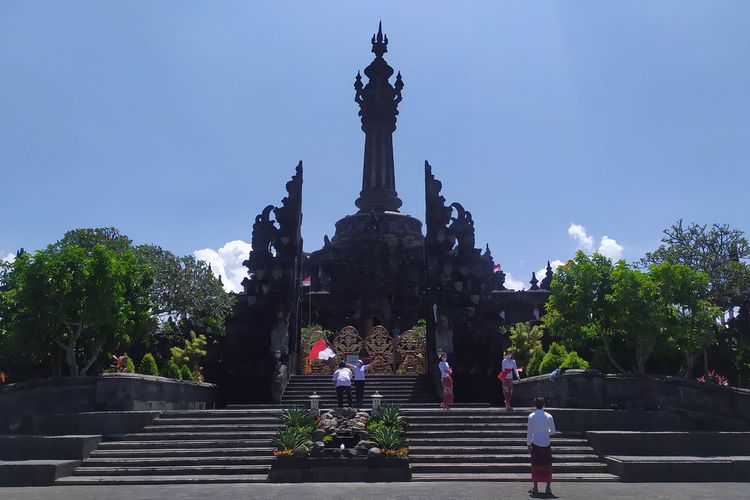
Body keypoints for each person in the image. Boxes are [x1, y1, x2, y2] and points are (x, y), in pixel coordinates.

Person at [527, 396, 556, 497]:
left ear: (534, 405)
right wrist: (545, 431)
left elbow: (529, 432)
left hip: (536, 443)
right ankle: (548, 488)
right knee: (547, 465)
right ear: (544, 405)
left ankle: (535, 488)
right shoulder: (549, 416)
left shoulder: (531, 416)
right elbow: (552, 431)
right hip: (546, 443)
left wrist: (528, 444)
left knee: (535, 465)